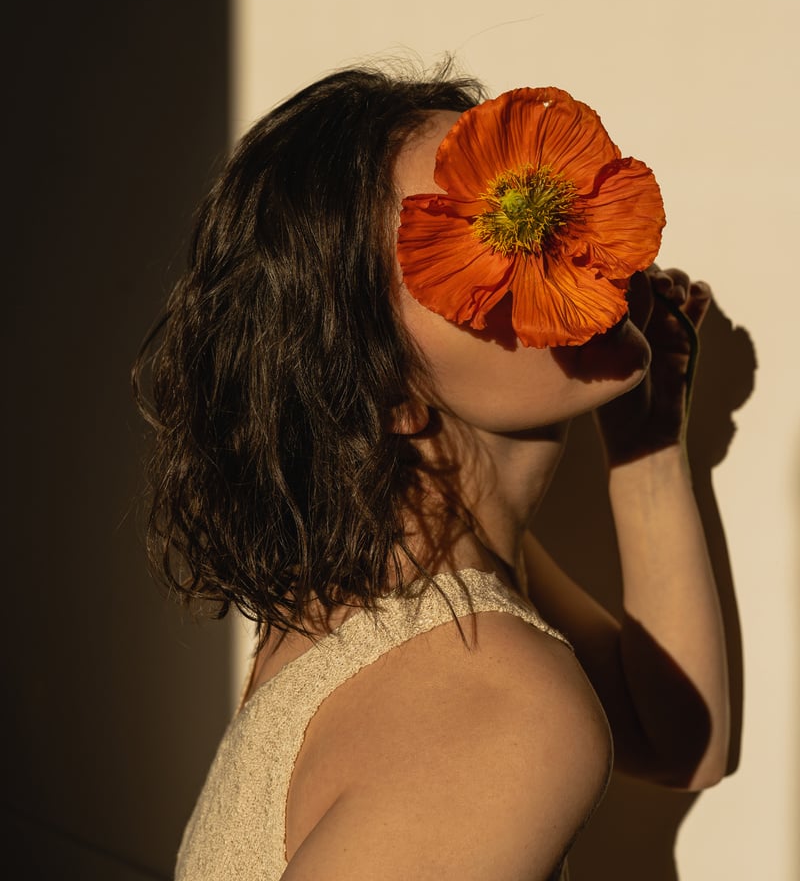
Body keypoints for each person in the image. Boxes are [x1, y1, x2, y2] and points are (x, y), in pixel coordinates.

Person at [134, 60, 731, 881]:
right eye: (483, 233)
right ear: (382, 387)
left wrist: (649, 447)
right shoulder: (490, 697)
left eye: (527, 182)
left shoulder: (407, 581)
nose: (551, 233)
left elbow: (678, 743)